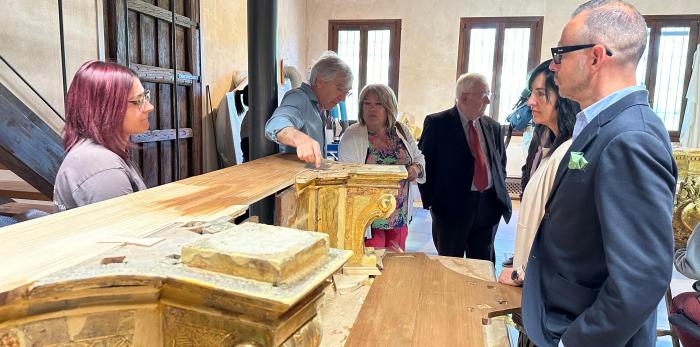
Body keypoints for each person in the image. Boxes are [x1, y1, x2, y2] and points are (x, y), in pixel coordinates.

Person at [521, 1, 678, 346]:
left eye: (561, 53)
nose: (553, 65)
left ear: (595, 57)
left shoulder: (630, 138)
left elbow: (640, 279)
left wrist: (575, 342)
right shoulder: (602, 125)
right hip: (561, 312)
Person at [497, 60, 580, 347]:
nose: (530, 101)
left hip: (549, 295)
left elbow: (562, 232)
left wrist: (523, 273)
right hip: (535, 285)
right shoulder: (550, 141)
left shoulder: (573, 152)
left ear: (565, 99)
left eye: (540, 94)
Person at [418, 73, 511, 262]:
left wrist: (498, 198)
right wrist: (433, 203)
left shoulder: (493, 126)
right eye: (483, 94)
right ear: (464, 97)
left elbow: (500, 164)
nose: (487, 100)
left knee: (484, 264)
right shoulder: (438, 123)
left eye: (488, 94)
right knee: (451, 264)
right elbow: (425, 165)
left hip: (487, 207)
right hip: (451, 210)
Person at [54, 60, 152, 211]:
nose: (149, 107)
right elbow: (126, 232)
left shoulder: (101, 153)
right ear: (105, 108)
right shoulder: (103, 167)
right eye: (139, 101)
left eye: (146, 97)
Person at [338, 84, 425, 251]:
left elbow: (419, 158)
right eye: (367, 103)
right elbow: (346, 178)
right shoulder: (352, 135)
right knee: (372, 266)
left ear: (389, 107)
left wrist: (415, 169)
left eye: (378, 104)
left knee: (397, 265)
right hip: (368, 219)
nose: (372, 109)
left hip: (399, 215)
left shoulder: (401, 130)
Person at [265, 52, 353, 168]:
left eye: (346, 92)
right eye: (340, 89)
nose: (342, 98)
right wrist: (300, 139)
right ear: (319, 82)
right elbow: (276, 123)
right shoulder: (299, 97)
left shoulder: (320, 107)